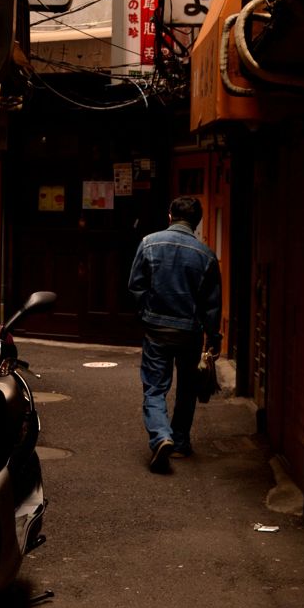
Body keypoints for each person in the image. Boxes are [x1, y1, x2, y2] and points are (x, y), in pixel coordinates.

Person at [128, 196, 223, 473]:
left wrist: (146, 314)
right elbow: (212, 303)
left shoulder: (149, 243)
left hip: (157, 328)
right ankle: (180, 443)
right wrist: (213, 336)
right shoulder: (206, 255)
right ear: (197, 222)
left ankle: (161, 436)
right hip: (189, 332)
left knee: (155, 386)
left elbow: (136, 286)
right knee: (187, 389)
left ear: (170, 216)